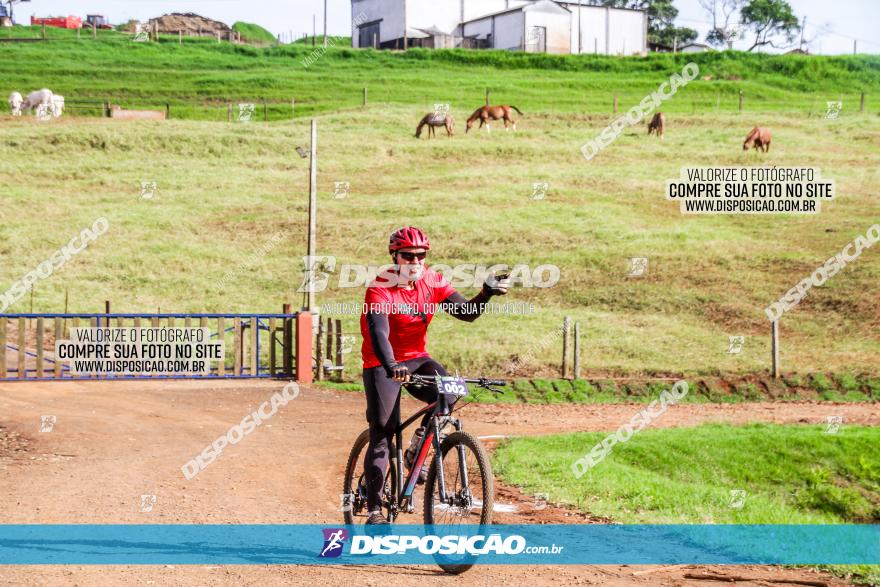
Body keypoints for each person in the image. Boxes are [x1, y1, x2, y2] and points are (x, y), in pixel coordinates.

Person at [360, 226, 510, 525]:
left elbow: (466, 312)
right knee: (383, 432)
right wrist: (391, 367)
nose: (415, 261)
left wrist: (486, 293)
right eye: (408, 256)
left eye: (421, 255)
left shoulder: (432, 281)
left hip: (417, 358)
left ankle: (416, 451)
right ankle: (375, 511)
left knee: (451, 392)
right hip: (382, 362)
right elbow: (379, 334)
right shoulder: (379, 289)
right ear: (395, 256)